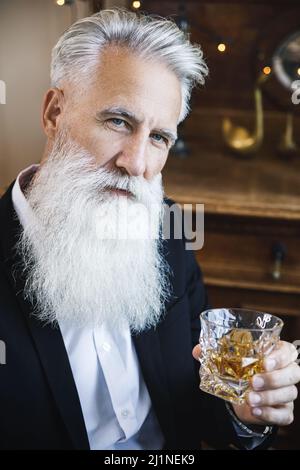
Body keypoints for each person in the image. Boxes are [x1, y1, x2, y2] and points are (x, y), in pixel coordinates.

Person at [0, 8, 299, 450]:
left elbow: (198, 396)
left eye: (159, 137)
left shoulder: (170, 230)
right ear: (54, 113)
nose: (137, 164)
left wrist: (245, 413)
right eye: (118, 121)